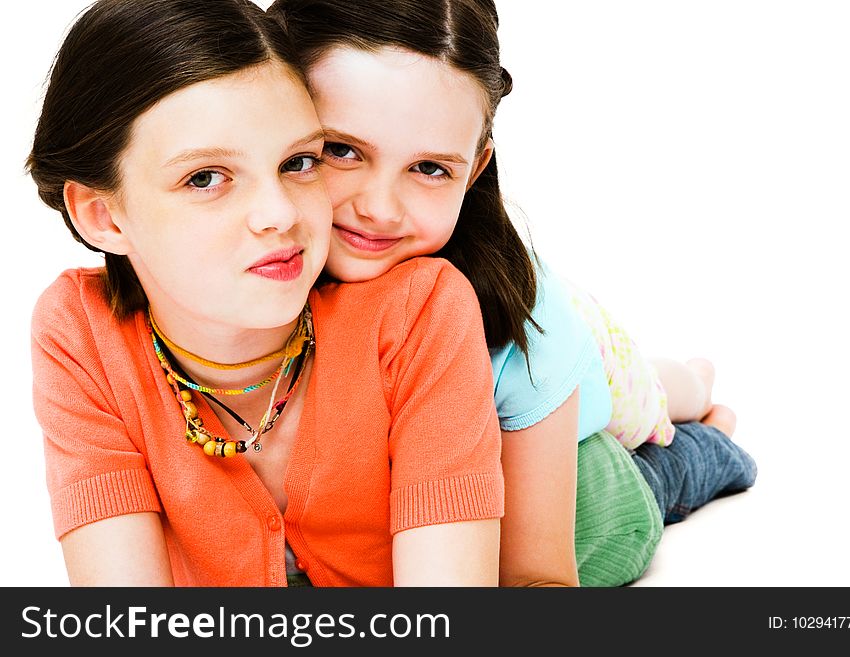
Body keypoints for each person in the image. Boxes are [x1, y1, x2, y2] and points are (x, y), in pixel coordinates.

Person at [269, 0, 757, 587]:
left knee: (653, 406)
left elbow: (535, 574)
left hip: (576, 388)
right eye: (340, 150)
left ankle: (702, 417)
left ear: (473, 170)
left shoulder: (522, 333)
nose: (378, 207)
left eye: (429, 169)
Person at [27, 0, 504, 587]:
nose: (279, 213)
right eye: (205, 178)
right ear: (102, 215)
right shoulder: (80, 331)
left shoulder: (422, 305)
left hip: (592, 497)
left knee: (625, 459)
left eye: (299, 162)